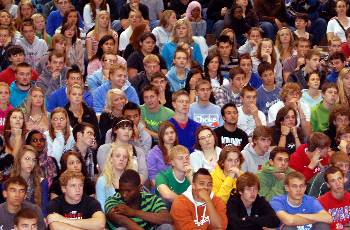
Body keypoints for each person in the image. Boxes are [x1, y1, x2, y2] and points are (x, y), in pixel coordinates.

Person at [105, 169, 172, 229]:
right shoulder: (113, 200)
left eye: (129, 191)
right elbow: (119, 219)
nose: (124, 194)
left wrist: (133, 212)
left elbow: (167, 218)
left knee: (166, 227)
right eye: (121, 190)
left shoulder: (151, 199)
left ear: (140, 188)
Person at [97, 117, 148, 182]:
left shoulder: (138, 151)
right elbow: (105, 172)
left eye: (130, 129)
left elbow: (143, 174)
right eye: (123, 128)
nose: (127, 131)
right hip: (110, 187)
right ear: (115, 130)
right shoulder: (104, 149)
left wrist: (130, 187)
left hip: (133, 188)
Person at [10, 145, 49, 213]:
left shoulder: (42, 182)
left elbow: (44, 210)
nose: (31, 163)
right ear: (19, 160)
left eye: (34, 160)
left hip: (35, 219)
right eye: (27, 159)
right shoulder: (8, 184)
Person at [96, 144, 131, 212]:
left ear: (127, 161)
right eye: (118, 156)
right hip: (110, 218)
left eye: (125, 157)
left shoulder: (132, 180)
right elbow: (101, 208)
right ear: (111, 159)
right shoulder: (102, 181)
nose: (121, 159)